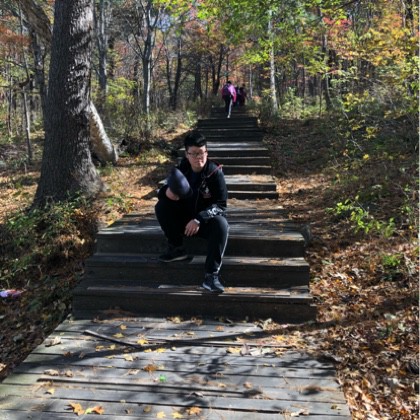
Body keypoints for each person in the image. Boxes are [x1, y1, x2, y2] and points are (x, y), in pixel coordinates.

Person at [155, 131, 229, 293]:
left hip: (204, 223)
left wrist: (199, 219)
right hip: (184, 220)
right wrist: (167, 193)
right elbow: (162, 192)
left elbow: (221, 205)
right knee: (161, 206)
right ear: (187, 154)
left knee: (221, 224)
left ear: (207, 152)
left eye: (201, 153)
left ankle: (211, 275)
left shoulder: (215, 172)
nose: (198, 158)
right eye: (194, 153)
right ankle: (176, 248)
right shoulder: (181, 169)